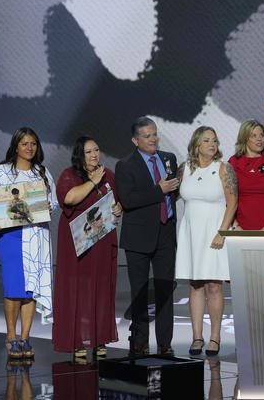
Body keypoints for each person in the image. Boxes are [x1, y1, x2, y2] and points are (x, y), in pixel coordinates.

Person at [0, 127, 58, 359]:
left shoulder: (43, 173)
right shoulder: (3, 172)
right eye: (25, 143)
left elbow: (53, 202)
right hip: (11, 236)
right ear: (16, 146)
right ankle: (11, 336)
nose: (29, 148)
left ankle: (25, 337)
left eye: (33, 144)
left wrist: (48, 207)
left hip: (37, 235)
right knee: (14, 287)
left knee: (30, 290)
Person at [53, 136, 122, 359]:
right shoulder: (69, 175)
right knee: (77, 290)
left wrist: (118, 209)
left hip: (102, 241)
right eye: (88, 152)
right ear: (79, 156)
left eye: (97, 150)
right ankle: (78, 341)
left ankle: (99, 338)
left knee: (102, 289)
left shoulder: (109, 175)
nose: (94, 155)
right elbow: (69, 198)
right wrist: (92, 181)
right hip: (77, 242)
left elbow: (117, 202)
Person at [115, 116, 180, 356]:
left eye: (155, 134)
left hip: (165, 233)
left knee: (165, 290)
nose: (153, 139)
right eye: (147, 136)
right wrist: (158, 191)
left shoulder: (168, 159)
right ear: (135, 140)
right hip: (139, 237)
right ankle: (140, 340)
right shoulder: (126, 165)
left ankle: (165, 342)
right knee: (140, 291)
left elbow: (176, 190)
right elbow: (129, 200)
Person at [175, 126, 237, 357]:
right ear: (197, 145)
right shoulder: (185, 169)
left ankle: (215, 337)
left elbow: (232, 203)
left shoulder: (223, 169)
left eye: (215, 140)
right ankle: (197, 337)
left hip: (215, 232)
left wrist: (222, 232)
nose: (212, 144)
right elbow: (172, 195)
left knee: (214, 285)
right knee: (196, 284)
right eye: (207, 140)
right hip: (192, 233)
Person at [228, 119, 264, 230]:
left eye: (261, 135)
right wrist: (236, 227)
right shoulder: (233, 163)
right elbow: (228, 200)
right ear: (244, 139)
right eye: (253, 136)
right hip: (240, 231)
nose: (259, 139)